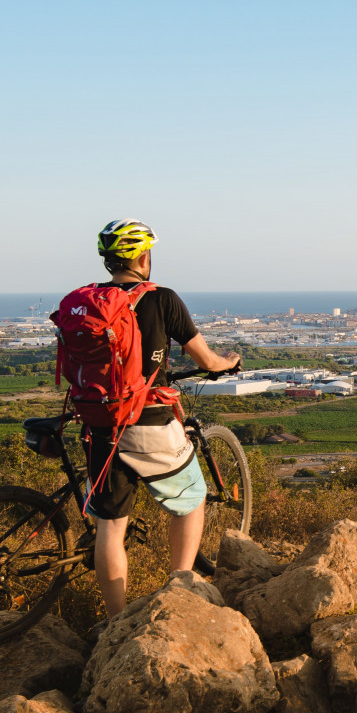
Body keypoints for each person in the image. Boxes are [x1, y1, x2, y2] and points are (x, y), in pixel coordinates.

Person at [82, 219, 240, 616]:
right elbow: (206, 360)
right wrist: (227, 363)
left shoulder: (87, 302)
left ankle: (115, 620)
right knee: (192, 503)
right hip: (147, 420)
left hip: (100, 424)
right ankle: (179, 593)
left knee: (110, 526)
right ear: (142, 256)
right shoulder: (162, 298)